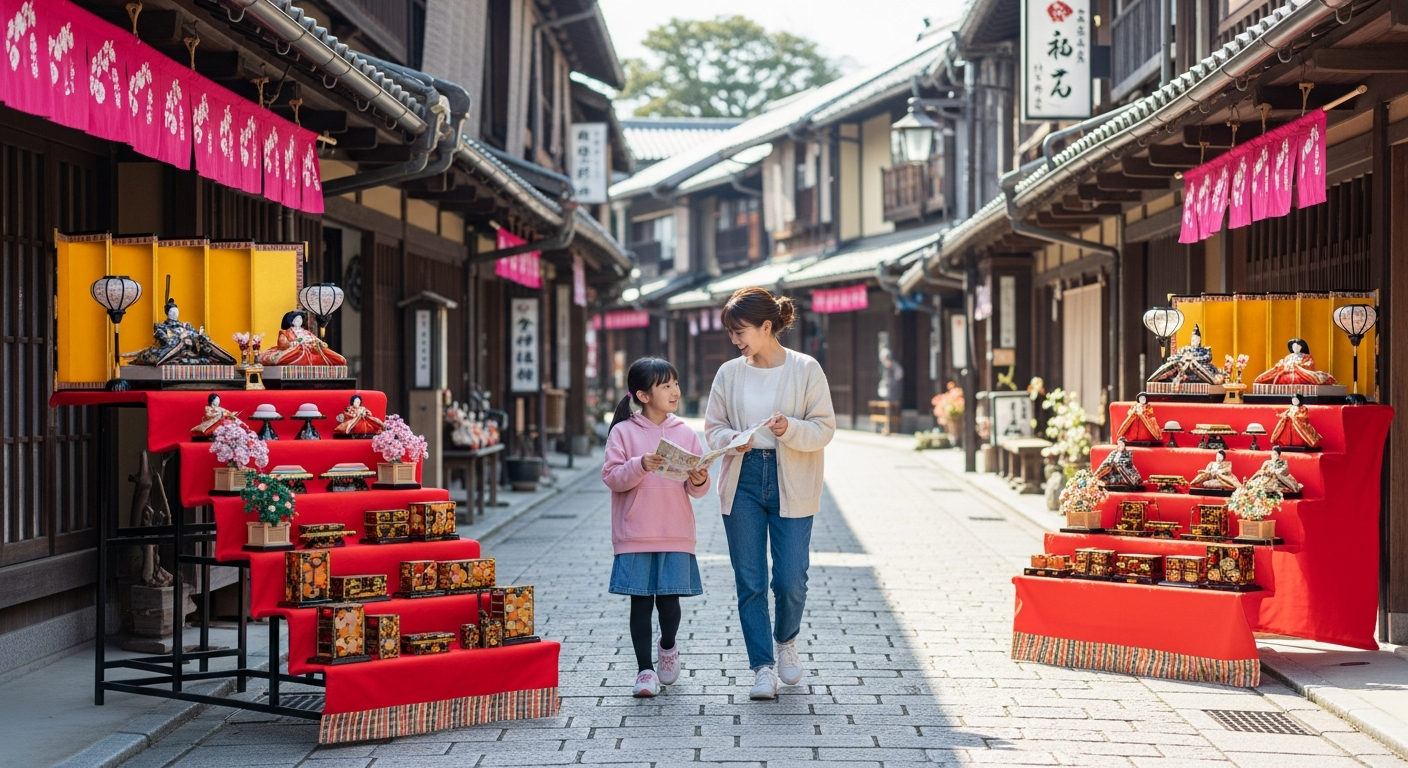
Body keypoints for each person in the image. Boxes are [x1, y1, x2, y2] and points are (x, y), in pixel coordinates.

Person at [705, 287, 836, 701]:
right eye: (730, 332)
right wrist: (735, 439)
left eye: (740, 331)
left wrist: (789, 429)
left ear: (767, 326)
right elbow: (712, 429)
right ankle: (762, 667)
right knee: (751, 581)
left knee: (791, 579)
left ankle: (786, 641)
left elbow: (824, 429)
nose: (735, 340)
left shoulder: (806, 368)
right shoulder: (729, 373)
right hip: (742, 478)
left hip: (791, 478)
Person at [601, 357, 711, 699]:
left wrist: (699, 478)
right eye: (666, 385)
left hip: (675, 531)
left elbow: (697, 490)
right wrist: (640, 464)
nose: (675, 391)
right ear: (643, 395)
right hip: (635, 533)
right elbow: (613, 478)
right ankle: (644, 671)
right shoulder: (623, 432)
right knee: (640, 605)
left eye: (675, 383)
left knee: (669, 602)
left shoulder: (685, 432)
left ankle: (668, 646)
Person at [124, 298, 237, 366]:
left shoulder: (186, 325)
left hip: (190, 351)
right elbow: (166, 340)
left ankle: (225, 358)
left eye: (175, 311)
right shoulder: (160, 326)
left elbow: (195, 335)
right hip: (172, 351)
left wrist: (197, 336)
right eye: (171, 311)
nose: (174, 313)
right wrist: (180, 338)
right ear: (167, 313)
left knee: (204, 342)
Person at [257, 311, 347, 366]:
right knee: (284, 357)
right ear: (291, 321)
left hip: (310, 351)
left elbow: (315, 339)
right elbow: (282, 343)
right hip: (296, 352)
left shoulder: (305, 332)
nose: (299, 321)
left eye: (300, 320)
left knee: (331, 357)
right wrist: (294, 343)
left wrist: (319, 342)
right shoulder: (286, 332)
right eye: (296, 320)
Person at [1254, 338, 1335, 386]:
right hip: (1287, 373)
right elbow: (1282, 364)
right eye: (1294, 346)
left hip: (1301, 374)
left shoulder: (1307, 357)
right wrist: (1283, 366)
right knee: (1280, 378)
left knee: (1299, 379)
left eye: (1298, 346)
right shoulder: (1288, 357)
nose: (1295, 348)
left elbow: (1309, 365)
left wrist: (1297, 366)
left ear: (1301, 347)